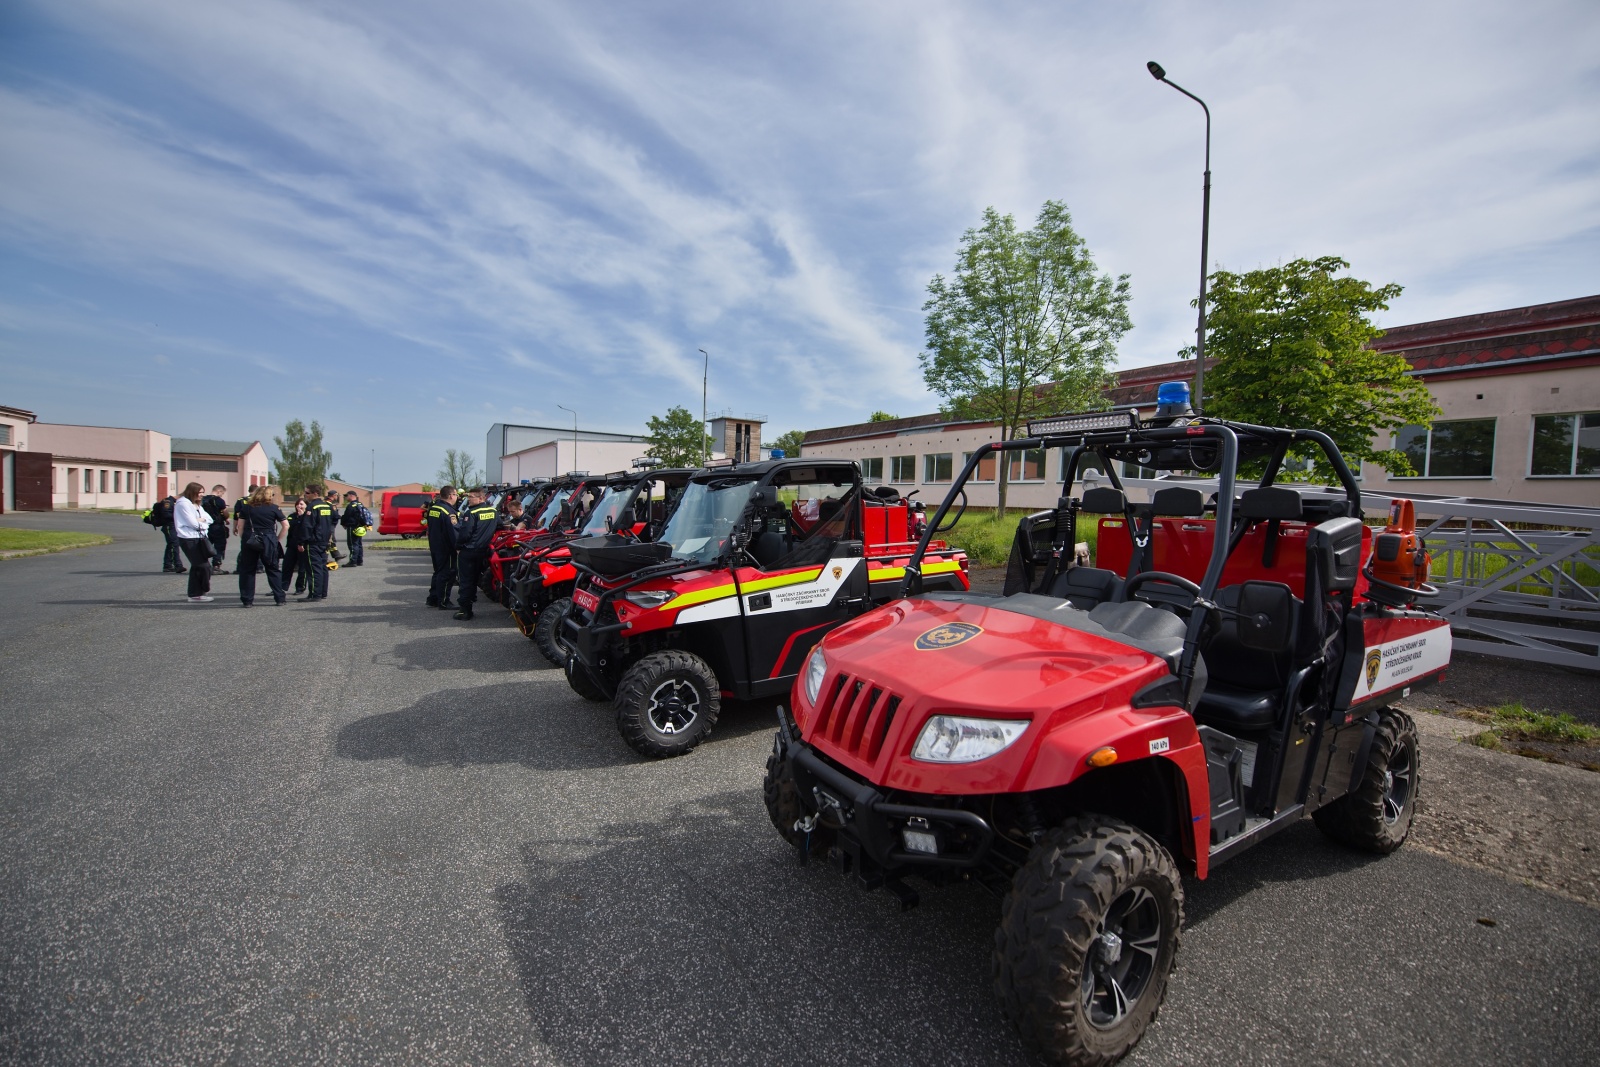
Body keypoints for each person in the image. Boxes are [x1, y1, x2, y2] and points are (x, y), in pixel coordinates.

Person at [234, 485, 288, 607]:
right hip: (268, 538)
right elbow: (286, 525)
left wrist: (245, 539)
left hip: (251, 538)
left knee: (248, 570)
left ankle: (247, 600)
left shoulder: (246, 507)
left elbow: (240, 526)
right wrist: (277, 539)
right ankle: (280, 598)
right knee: (273, 569)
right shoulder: (274, 508)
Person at [453, 487, 499, 621]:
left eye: (471, 497)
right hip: (483, 551)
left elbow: (465, 533)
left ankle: (465, 611)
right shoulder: (493, 511)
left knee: (466, 580)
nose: (468, 499)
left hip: (468, 551)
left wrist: (458, 546)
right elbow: (500, 525)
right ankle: (470, 600)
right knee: (475, 579)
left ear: (481, 498)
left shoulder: (471, 513)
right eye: (468, 496)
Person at [173, 482, 215, 602]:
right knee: (203, 566)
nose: (202, 495)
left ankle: (195, 594)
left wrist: (201, 521)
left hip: (200, 537)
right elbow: (193, 523)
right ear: (193, 492)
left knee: (198, 566)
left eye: (203, 492)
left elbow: (210, 519)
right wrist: (201, 523)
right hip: (188, 538)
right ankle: (200, 591)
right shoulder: (183, 504)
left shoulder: (196, 504)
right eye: (200, 492)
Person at [298, 485, 336, 602]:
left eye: (307, 493)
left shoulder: (312, 507)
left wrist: (301, 542)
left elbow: (307, 526)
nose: (305, 495)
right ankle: (322, 592)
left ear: (315, 493)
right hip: (324, 541)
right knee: (323, 567)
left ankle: (315, 594)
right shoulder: (327, 506)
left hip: (313, 542)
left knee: (314, 569)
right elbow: (334, 520)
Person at [425, 485, 459, 609]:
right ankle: (444, 601)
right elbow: (454, 532)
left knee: (438, 572)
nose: (456, 497)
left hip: (435, 545)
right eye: (455, 495)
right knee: (447, 573)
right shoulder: (448, 511)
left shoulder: (434, 508)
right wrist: (458, 547)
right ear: (450, 496)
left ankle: (433, 598)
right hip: (446, 548)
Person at [282, 499, 313, 595]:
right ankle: (282, 587)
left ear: (306, 506)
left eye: (301, 504)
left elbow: (306, 528)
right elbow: (289, 526)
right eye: (297, 504)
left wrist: (301, 517)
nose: (299, 506)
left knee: (302, 568)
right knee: (286, 566)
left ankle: (300, 588)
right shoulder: (292, 516)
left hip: (303, 545)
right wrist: (298, 518)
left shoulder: (308, 516)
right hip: (292, 545)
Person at [201, 484, 231, 574]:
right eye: (222, 493)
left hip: (205, 526)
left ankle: (203, 565)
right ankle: (216, 565)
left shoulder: (203, 500)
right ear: (219, 491)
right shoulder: (219, 500)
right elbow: (225, 513)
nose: (222, 495)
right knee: (219, 545)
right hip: (217, 525)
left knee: (205, 545)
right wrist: (226, 518)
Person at [150, 494, 183, 573]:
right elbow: (166, 514)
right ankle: (178, 565)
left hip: (174, 526)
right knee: (174, 544)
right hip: (169, 526)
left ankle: (167, 565)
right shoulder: (168, 502)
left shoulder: (175, 502)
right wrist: (179, 516)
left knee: (171, 545)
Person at [340, 490, 369, 567]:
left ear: (351, 496)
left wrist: (343, 523)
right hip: (360, 527)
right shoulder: (360, 504)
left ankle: (353, 561)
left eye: (347, 496)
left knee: (353, 544)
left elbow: (346, 516)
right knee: (359, 544)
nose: (346, 497)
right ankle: (359, 560)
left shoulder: (351, 506)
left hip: (352, 526)